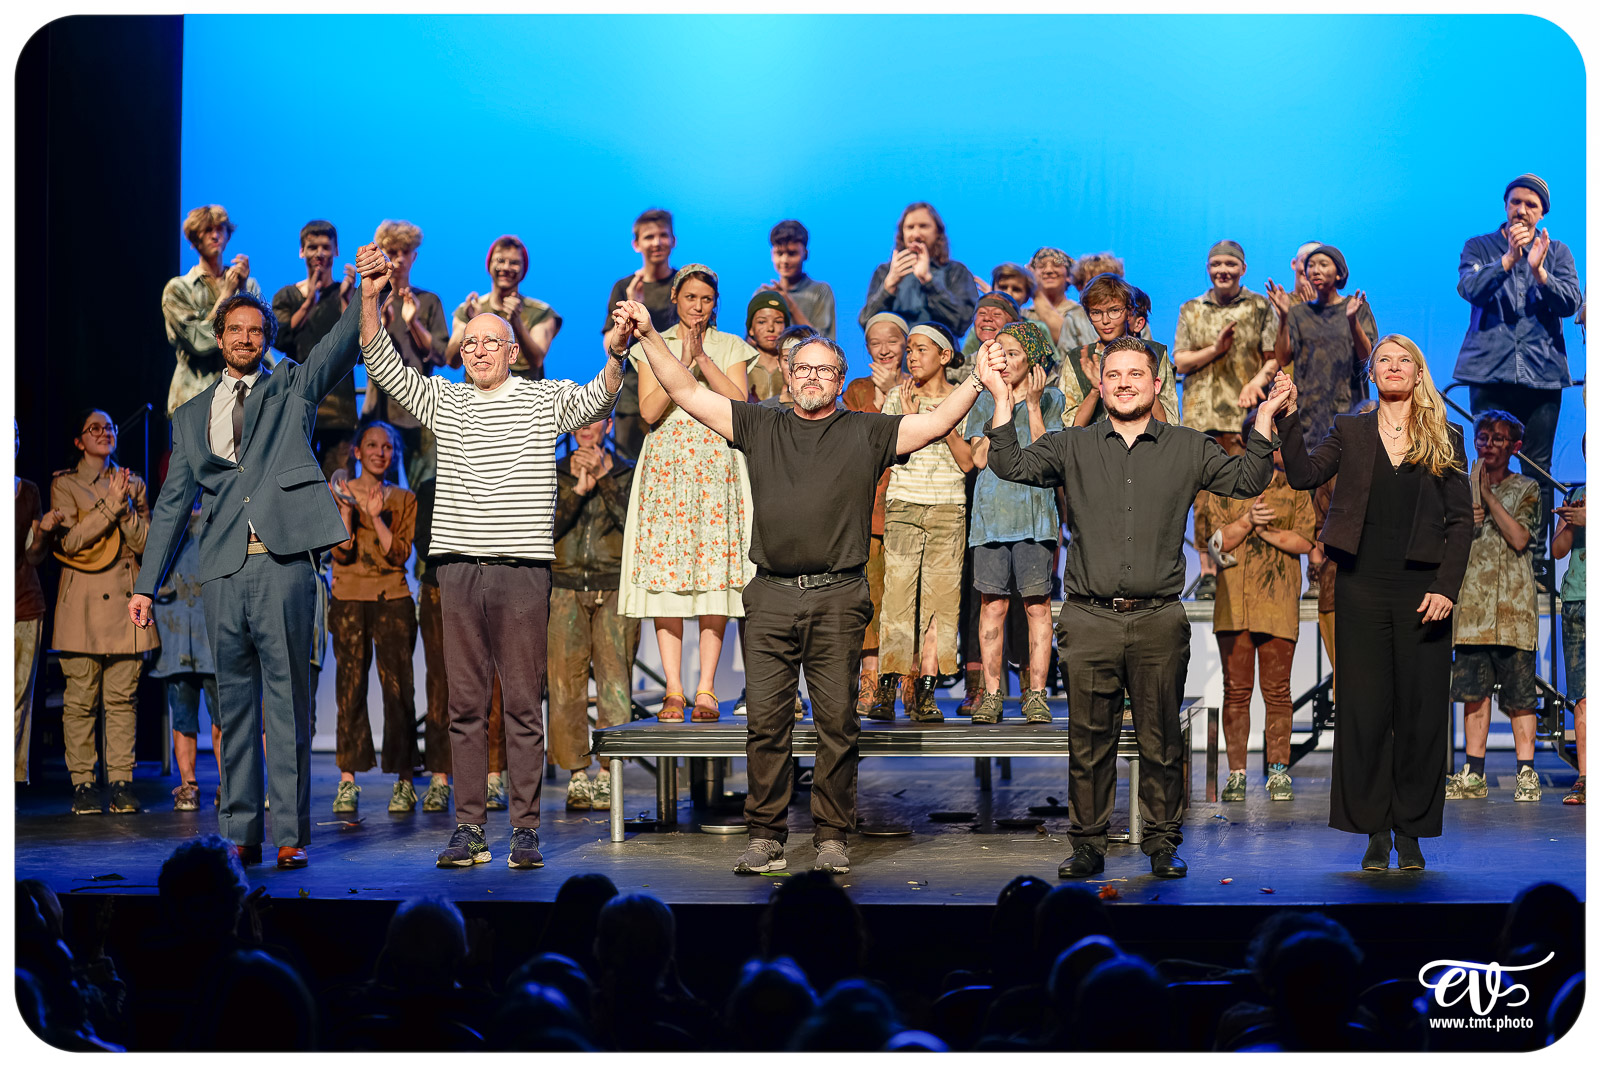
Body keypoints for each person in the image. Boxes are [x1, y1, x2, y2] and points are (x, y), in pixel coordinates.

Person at [617, 300, 991, 874]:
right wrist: (647, 335)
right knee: (767, 723)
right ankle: (765, 836)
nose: (813, 378)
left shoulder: (866, 431)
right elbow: (687, 394)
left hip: (838, 596)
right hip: (769, 595)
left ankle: (831, 837)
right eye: (804, 369)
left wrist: (978, 380)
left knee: (837, 724)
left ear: (841, 381)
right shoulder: (759, 422)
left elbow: (937, 424)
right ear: (789, 374)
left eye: (825, 371)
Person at [982, 335, 1290, 880]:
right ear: (1100, 385)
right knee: (1089, 741)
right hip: (1090, 616)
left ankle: (1163, 842)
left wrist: (1264, 419)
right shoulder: (1073, 444)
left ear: (1155, 383)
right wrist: (1002, 399)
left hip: (1157, 618)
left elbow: (1247, 479)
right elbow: (1009, 464)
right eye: (1114, 374)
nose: (1124, 383)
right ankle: (1087, 844)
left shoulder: (1187, 447)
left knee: (1162, 741)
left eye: (1135, 374)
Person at [360, 252, 625, 871]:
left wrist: (615, 353)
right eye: (470, 342)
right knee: (465, 704)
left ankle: (525, 830)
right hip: (458, 570)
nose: (478, 350)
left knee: (522, 706)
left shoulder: (545, 398)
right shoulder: (443, 401)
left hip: (521, 572)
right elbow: (381, 361)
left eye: (491, 342)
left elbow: (599, 396)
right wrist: (370, 298)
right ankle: (471, 829)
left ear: (513, 352)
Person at [133, 243, 389, 869]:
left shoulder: (291, 390)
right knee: (234, 705)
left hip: (282, 567)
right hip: (221, 569)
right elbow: (171, 506)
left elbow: (337, 346)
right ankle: (241, 833)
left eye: (256, 330)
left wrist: (370, 292)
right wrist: (146, 584)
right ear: (219, 338)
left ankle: (291, 834)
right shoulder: (193, 416)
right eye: (236, 329)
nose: (246, 338)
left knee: (289, 702)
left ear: (266, 339)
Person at [1269, 335, 1472, 872]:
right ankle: (1375, 832)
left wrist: (1447, 588)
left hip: (1423, 591)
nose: (1395, 367)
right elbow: (1304, 474)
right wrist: (1287, 418)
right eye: (1385, 360)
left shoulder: (1445, 436)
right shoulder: (1351, 431)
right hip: (1360, 585)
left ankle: (1412, 833)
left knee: (1420, 713)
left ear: (1419, 372)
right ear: (1372, 373)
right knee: (1364, 712)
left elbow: (1460, 524)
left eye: (1405, 360)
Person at [620, 264, 757, 725]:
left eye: (706, 299)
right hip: (669, 467)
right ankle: (674, 690)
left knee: (714, 581)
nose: (698, 306)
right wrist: (676, 359)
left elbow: (739, 404)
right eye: (690, 297)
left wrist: (702, 359)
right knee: (669, 580)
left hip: (717, 467)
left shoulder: (732, 346)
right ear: (675, 298)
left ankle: (707, 689)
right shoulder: (650, 345)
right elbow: (649, 410)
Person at [1452, 175, 1582, 557]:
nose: (1522, 210)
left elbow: (1571, 302)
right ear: (1506, 206)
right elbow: (1470, 290)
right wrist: (1508, 260)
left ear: (1542, 212)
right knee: (1488, 459)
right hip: (1488, 371)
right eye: (1515, 202)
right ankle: (1480, 549)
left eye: (1530, 204)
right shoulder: (1480, 246)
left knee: (1537, 466)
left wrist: (1540, 272)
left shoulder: (1557, 251)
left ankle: (1535, 559)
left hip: (1541, 374)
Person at [1193, 412, 1316, 801]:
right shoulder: (1224, 485)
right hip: (1234, 602)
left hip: (1278, 601)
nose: (1275, 445)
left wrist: (1267, 530)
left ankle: (1278, 770)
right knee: (1237, 691)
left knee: (1278, 690)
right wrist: (1247, 521)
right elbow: (1213, 543)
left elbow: (1305, 541)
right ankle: (1237, 773)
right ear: (1249, 439)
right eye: (1268, 436)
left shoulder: (1296, 487)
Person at [962, 321, 1065, 725]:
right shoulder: (985, 400)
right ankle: (991, 695)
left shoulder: (1052, 399)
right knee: (993, 605)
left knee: (1037, 606)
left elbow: (1047, 456)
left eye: (1013, 354)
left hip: (1035, 516)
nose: (1003, 361)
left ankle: (1036, 694)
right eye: (999, 353)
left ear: (1034, 362)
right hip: (991, 519)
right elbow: (981, 459)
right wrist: (1001, 400)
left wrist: (1034, 404)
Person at [53, 409, 154, 816]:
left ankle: (121, 781)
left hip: (125, 600)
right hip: (82, 606)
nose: (103, 433)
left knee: (122, 699)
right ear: (79, 441)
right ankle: (83, 784)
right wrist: (111, 505)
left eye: (109, 427)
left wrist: (125, 506)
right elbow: (72, 540)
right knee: (79, 700)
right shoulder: (65, 484)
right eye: (93, 428)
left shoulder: (133, 483)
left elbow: (147, 542)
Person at [878, 322, 975, 722]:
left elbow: (968, 461)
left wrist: (942, 420)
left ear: (945, 356)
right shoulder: (897, 398)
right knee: (898, 598)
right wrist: (908, 418)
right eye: (911, 350)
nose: (912, 356)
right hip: (904, 505)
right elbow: (887, 453)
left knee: (940, 603)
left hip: (948, 508)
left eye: (920, 349)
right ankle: (889, 685)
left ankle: (926, 690)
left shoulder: (963, 398)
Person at [1445, 411, 1542, 802]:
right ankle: (1474, 773)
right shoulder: (1457, 487)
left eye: (1498, 439)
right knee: (1474, 694)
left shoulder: (1527, 487)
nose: (1487, 445)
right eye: (1483, 437)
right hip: (1472, 609)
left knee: (1520, 698)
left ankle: (1526, 773)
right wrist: (1464, 519)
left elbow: (1520, 537)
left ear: (1514, 447)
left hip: (1514, 610)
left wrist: (1486, 497)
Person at [1174, 241, 1280, 598]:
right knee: (1204, 496)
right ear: (1207, 268)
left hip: (1243, 416)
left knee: (1246, 492)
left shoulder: (1258, 306)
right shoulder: (1191, 309)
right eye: (1216, 264)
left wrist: (1256, 382)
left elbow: (1273, 357)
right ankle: (1206, 572)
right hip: (1201, 416)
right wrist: (1215, 350)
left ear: (1243, 269)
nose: (1223, 270)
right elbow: (1180, 362)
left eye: (1230, 264)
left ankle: (1245, 566)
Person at [328, 422, 420, 814]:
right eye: (372, 445)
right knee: (349, 689)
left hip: (393, 600)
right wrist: (350, 511)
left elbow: (399, 554)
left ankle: (404, 780)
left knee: (398, 690)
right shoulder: (339, 492)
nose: (380, 452)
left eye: (387, 447)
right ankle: (348, 779)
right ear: (357, 452)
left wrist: (377, 517)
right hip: (348, 600)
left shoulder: (403, 498)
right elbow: (340, 552)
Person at [549, 415, 638, 811]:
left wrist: (603, 479)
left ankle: (608, 772)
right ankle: (577, 776)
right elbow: (543, 530)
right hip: (564, 586)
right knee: (565, 687)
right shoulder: (552, 472)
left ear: (609, 425)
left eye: (596, 421)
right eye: (580, 421)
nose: (587, 428)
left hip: (614, 586)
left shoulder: (626, 471)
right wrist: (577, 490)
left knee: (614, 684)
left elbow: (635, 527)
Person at [1239, 245, 1377, 449]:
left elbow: (1367, 357)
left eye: (1323, 264)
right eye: (1311, 265)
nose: (1315, 270)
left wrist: (1351, 320)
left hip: (1348, 408)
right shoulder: (1299, 313)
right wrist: (1285, 316)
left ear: (1339, 273)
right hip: (1309, 415)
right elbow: (1284, 358)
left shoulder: (1356, 307)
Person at [842, 313, 909, 717]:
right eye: (875, 343)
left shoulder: (921, 383)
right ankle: (870, 684)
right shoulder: (857, 391)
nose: (884, 350)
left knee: (905, 602)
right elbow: (859, 443)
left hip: (912, 504)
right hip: (869, 509)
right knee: (871, 598)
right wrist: (883, 401)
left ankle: (906, 684)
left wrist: (898, 396)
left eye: (893, 342)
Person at [147, 503, 223, 810]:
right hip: (176, 625)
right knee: (183, 714)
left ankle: (228, 783)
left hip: (213, 624)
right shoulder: (166, 514)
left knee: (225, 717)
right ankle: (187, 784)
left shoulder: (221, 505)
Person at [364, 219, 449, 488]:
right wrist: (382, 326)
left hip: (420, 411)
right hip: (379, 411)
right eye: (393, 251)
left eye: (405, 252)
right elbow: (357, 356)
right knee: (381, 490)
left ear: (415, 256)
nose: (399, 258)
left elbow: (442, 356)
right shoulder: (370, 300)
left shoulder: (429, 301)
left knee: (424, 488)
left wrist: (414, 323)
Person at [272, 220, 359, 478]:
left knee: (339, 489)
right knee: (298, 486)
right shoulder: (287, 296)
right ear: (302, 252)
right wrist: (309, 301)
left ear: (336, 251)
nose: (319, 253)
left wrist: (346, 301)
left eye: (325, 247)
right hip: (299, 408)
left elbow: (360, 347)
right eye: (312, 247)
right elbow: (280, 339)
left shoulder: (349, 294)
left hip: (339, 412)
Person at [161, 205, 265, 417]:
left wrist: (242, 291)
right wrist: (227, 295)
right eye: (208, 230)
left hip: (243, 399)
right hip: (195, 399)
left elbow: (260, 336)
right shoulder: (179, 289)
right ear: (194, 237)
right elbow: (198, 341)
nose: (215, 235)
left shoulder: (248, 283)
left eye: (221, 229)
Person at [603, 208, 678, 461]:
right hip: (632, 399)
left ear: (673, 240)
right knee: (631, 472)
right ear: (636, 244)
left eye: (663, 235)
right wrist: (632, 305)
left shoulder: (683, 285)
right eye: (649, 237)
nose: (656, 242)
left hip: (677, 392)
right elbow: (608, 346)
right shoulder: (624, 287)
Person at [1059, 273, 1178, 427]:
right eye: (1096, 313)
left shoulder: (1154, 353)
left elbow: (1169, 425)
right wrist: (1095, 390)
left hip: (1147, 446)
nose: (1105, 321)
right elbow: (1070, 432)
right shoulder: (1078, 359)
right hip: (1094, 448)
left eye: (1114, 311)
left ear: (1129, 312)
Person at [446, 234, 562, 381]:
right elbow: (452, 361)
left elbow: (536, 360)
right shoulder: (469, 309)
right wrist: (473, 322)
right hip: (478, 398)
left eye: (514, 263)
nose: (506, 267)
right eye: (500, 260)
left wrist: (517, 323)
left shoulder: (541, 312)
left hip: (525, 398)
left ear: (523, 269)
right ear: (489, 265)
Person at [857, 201, 980, 340]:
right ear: (902, 232)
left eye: (923, 226)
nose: (916, 234)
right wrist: (889, 286)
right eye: (910, 227)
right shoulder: (884, 272)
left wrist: (928, 281)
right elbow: (866, 323)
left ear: (938, 231)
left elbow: (961, 323)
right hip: (897, 358)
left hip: (942, 357)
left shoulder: (956, 272)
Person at [16, 424, 63, 783]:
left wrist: (43, 531)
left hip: (24, 605)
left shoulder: (27, 490)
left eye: (16, 433)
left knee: (18, 699)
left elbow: (32, 557)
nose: (13, 440)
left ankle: (12, 780)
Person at [1552, 465, 1585, 805]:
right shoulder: (1575, 495)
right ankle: (1585, 778)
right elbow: (1559, 550)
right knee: (1581, 695)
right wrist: (1574, 523)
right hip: (1576, 599)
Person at [758, 219, 836, 339]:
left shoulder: (820, 291)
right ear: (772, 254)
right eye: (779, 253)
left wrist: (790, 306)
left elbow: (824, 342)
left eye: (792, 253)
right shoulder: (762, 293)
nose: (784, 261)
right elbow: (750, 343)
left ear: (805, 254)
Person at [1025, 247, 1097, 358]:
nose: (1048, 271)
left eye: (1057, 265)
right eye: (1041, 266)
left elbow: (1064, 337)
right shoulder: (1024, 314)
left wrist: (1036, 291)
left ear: (1069, 276)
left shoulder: (1081, 313)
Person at [745, 292, 792, 402]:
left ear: (786, 327)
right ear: (751, 329)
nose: (770, 328)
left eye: (778, 321)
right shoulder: (741, 366)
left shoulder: (795, 368)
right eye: (762, 322)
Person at [959, 290, 1023, 363]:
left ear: (1015, 323)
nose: (987, 318)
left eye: (996, 314)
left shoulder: (1024, 367)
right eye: (982, 313)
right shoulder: (958, 371)